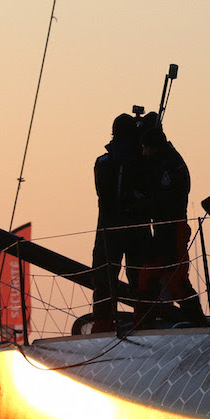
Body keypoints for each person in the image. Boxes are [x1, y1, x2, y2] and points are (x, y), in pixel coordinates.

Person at [136, 113, 206, 325]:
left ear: (152, 147)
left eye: (144, 148)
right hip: (164, 229)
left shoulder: (169, 167)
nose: (143, 152)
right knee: (148, 277)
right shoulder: (166, 161)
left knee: (176, 280)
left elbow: (165, 201)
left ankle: (199, 323)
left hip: (172, 228)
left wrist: (143, 202)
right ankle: (143, 323)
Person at [91, 113, 150, 331]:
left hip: (108, 229)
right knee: (140, 280)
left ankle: (102, 324)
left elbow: (101, 192)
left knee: (104, 280)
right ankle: (143, 324)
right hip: (137, 229)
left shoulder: (102, 162)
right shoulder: (143, 161)